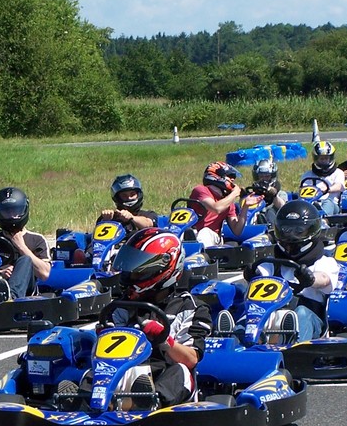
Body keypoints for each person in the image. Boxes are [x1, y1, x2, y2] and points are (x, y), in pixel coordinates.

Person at [104, 227, 212, 409]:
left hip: (162, 373)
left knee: (182, 371)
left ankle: (148, 402)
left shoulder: (190, 307)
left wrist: (164, 338)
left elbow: (191, 359)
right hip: (123, 372)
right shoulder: (121, 306)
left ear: (163, 268)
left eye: (137, 271)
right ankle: (80, 400)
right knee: (92, 371)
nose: (130, 275)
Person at [250, 199, 338, 342]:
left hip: (309, 318)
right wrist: (252, 275)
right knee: (244, 307)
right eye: (287, 230)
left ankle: (294, 349)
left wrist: (310, 279)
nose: (292, 235)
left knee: (300, 314)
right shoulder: (273, 262)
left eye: (298, 230)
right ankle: (235, 341)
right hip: (271, 315)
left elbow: (324, 278)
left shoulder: (324, 261)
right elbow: (260, 277)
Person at [0, 186, 51, 298]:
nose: (11, 216)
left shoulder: (37, 240)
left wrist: (22, 247)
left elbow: (45, 274)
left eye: (15, 212)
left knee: (25, 260)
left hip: (26, 293)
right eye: (6, 212)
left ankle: (12, 296)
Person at [188, 161, 249, 246]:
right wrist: (234, 193)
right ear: (216, 176)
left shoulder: (227, 201)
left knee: (205, 233)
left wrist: (245, 207)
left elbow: (237, 231)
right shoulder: (201, 190)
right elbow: (216, 208)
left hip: (213, 237)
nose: (232, 180)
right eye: (230, 177)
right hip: (194, 233)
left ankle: (199, 253)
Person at [299, 141, 345, 216]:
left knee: (327, 202)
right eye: (321, 159)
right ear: (316, 159)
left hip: (333, 205)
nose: (323, 161)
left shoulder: (338, 172)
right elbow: (303, 191)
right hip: (312, 204)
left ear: (331, 158)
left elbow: (340, 186)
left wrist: (326, 189)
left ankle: (323, 220)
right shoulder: (307, 175)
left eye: (326, 158)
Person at [242, 158, 289, 223]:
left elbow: (283, 207)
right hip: (255, 221)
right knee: (255, 213)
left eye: (267, 176)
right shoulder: (253, 195)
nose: (263, 179)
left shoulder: (281, 194)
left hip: (273, 223)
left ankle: (268, 224)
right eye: (261, 176)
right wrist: (243, 196)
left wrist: (274, 195)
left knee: (270, 211)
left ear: (272, 176)